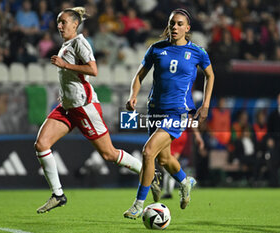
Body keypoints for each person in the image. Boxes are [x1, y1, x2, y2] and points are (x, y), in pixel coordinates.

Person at [35, 7, 160, 214]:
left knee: (109, 154)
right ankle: (58, 194)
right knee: (41, 144)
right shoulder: (66, 45)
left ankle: (149, 173)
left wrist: (65, 65)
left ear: (75, 24)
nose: (59, 26)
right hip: (67, 106)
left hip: (84, 107)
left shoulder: (80, 43)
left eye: (63, 22)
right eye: (58, 22)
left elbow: (93, 70)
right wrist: (65, 92)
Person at [124, 8, 215, 219]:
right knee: (164, 159)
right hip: (155, 109)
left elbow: (210, 76)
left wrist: (206, 104)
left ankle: (138, 204)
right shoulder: (156, 49)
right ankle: (185, 182)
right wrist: (132, 96)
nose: (175, 27)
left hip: (178, 112)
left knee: (148, 152)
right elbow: (139, 75)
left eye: (180, 24)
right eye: (172, 23)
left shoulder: (197, 52)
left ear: (187, 28)